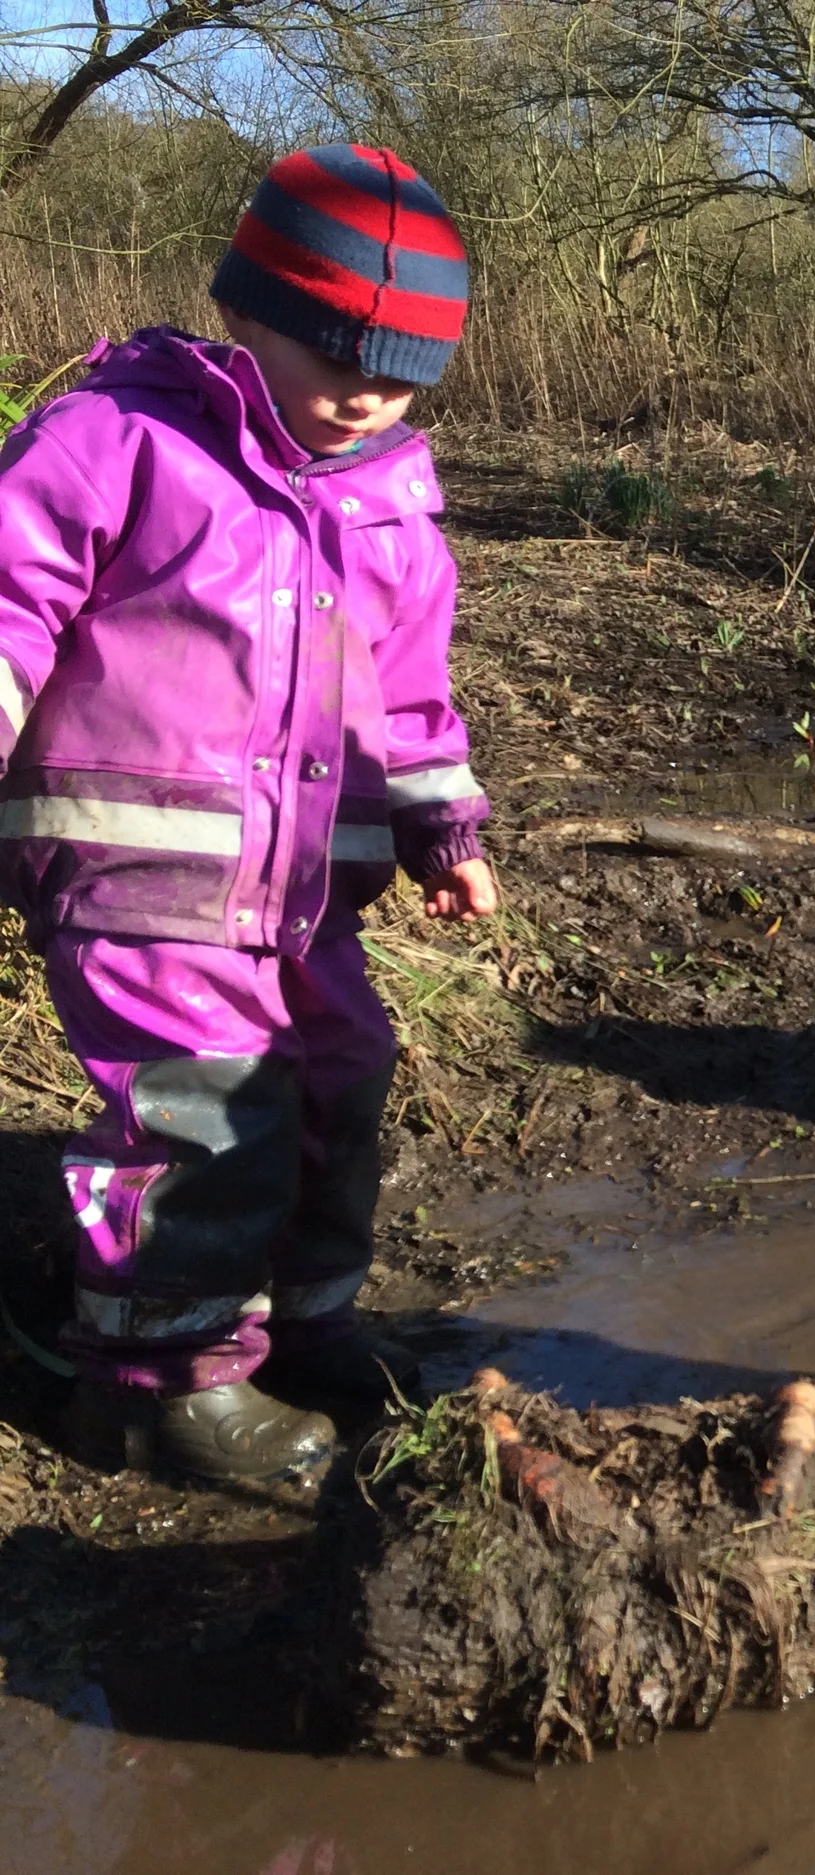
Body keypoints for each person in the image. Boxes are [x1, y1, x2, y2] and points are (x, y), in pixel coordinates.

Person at [0, 145, 495, 1479]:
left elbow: (410, 695)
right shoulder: (117, 438)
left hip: (307, 888)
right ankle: (170, 1373)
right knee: (200, 1103)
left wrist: (443, 829)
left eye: (401, 374)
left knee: (342, 1075)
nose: (368, 396)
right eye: (337, 356)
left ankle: (306, 1318)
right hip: (139, 874)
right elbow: (6, 600)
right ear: (245, 311)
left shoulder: (391, 503)